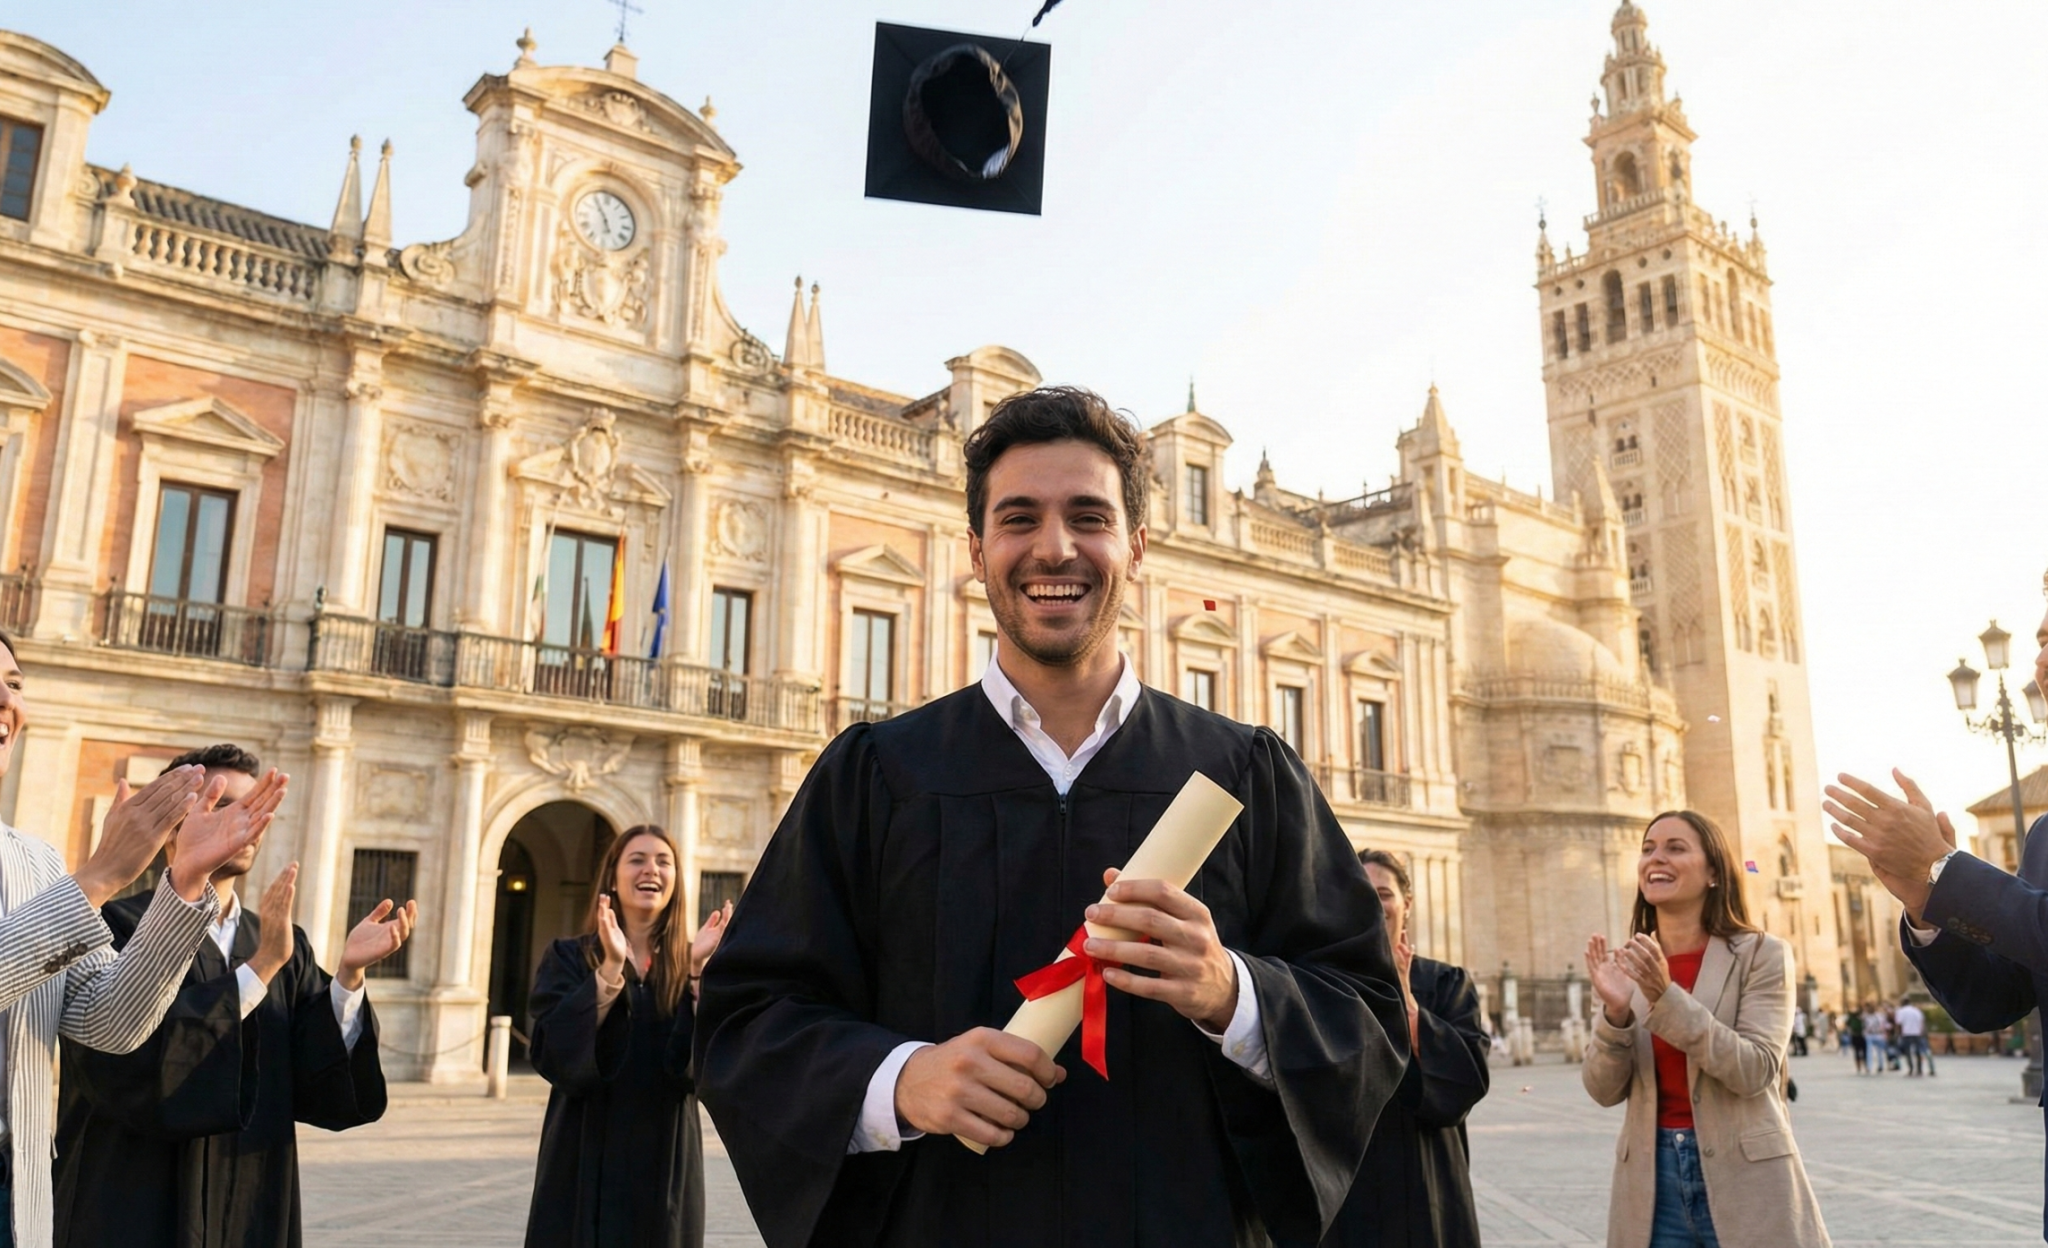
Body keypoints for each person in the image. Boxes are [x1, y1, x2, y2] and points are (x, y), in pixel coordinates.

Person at [694, 387, 1408, 1248]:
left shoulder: (1244, 776)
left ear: (1137, 546)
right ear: (976, 550)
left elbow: (1368, 1017)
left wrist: (1235, 994)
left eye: (1089, 517)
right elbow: (747, 1021)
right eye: (1019, 518)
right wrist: (899, 1081)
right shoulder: (878, 777)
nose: (1055, 547)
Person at [53, 744, 413, 1248]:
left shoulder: (280, 940)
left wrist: (349, 977)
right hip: (135, 1197)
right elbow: (128, 1062)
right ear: (172, 824)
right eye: (222, 806)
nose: (245, 821)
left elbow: (320, 1085)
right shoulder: (111, 926)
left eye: (255, 806)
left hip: (250, 1198)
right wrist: (258, 971)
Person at [0, 632, 284, 1248]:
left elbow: (110, 1025)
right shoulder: (76, 881)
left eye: (15, 684)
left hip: (17, 1193)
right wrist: (100, 877)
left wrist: (184, 884)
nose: (7, 700)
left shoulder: (39, 863)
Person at [1823, 592, 2048, 1233]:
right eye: (2040, 642)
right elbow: (1993, 1001)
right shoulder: (2045, 836)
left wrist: (1947, 869)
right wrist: (1927, 903)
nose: (2040, 661)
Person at [1582, 810, 1829, 1248]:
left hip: (1747, 1179)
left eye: (1675, 848)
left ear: (1713, 872)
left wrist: (1666, 997)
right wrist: (1616, 1014)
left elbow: (1754, 1069)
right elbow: (1603, 1090)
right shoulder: (1626, 966)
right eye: (1648, 849)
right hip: (1652, 1186)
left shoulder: (1761, 955)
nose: (1656, 858)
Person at [524, 825, 730, 1248]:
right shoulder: (569, 957)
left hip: (665, 1158)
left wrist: (695, 974)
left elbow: (703, 1069)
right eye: (637, 860)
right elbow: (554, 1055)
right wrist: (609, 971)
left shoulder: (691, 963)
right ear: (613, 879)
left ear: (675, 882)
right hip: (583, 1152)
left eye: (663, 862)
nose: (650, 869)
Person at [1322, 849, 1487, 1248]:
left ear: (1406, 904)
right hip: (1347, 1190)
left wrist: (1409, 1007)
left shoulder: (1446, 983)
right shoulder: (1321, 984)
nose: (1374, 904)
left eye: (1384, 893)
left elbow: (1464, 1086)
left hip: (1427, 1184)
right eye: (1362, 893)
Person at [1895, 997, 1933, 1077]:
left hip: (1906, 1033)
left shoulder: (1901, 1011)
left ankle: (1911, 1069)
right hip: (1917, 1033)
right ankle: (1919, 1069)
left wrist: (1899, 1033)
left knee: (1908, 1052)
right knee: (1918, 1052)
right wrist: (1921, 1032)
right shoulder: (1916, 1011)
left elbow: (1899, 1023)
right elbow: (1922, 1022)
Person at [1861, 1001, 1889, 1074]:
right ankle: (1870, 1067)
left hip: (1877, 1034)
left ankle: (1880, 1066)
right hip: (1871, 1035)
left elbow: (1884, 1025)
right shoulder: (1867, 1016)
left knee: (1879, 1051)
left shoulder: (1879, 1016)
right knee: (1870, 1052)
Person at [1843, 1006, 1866, 1074]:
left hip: (1862, 1036)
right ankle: (1859, 1067)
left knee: (1864, 1052)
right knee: (1857, 1052)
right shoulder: (1851, 1018)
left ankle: (1865, 1066)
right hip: (1855, 1036)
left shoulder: (1862, 1017)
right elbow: (1847, 1024)